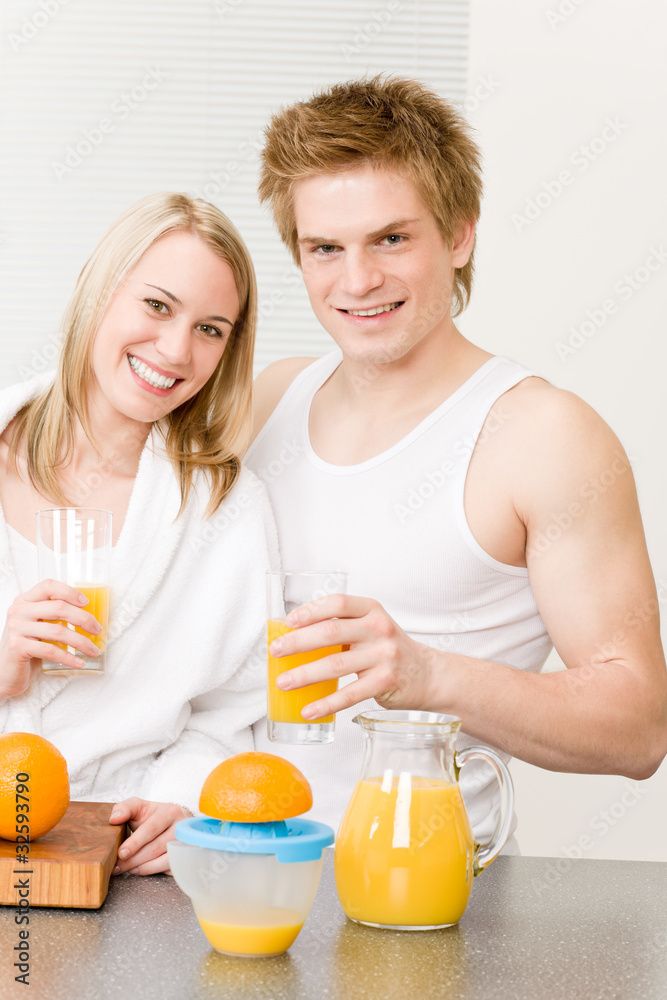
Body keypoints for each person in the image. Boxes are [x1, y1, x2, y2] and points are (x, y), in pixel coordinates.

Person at [245, 76, 667, 844]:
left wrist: (426, 675)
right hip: (232, 863)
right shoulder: (271, 397)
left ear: (459, 234)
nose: (357, 280)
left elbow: (638, 727)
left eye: (392, 239)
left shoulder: (543, 435)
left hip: (417, 899)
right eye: (325, 249)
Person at [0, 192, 278, 874]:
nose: (176, 349)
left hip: (116, 861)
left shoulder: (228, 510)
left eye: (211, 329)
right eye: (157, 306)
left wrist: (181, 800)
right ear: (95, 291)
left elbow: (233, 713)